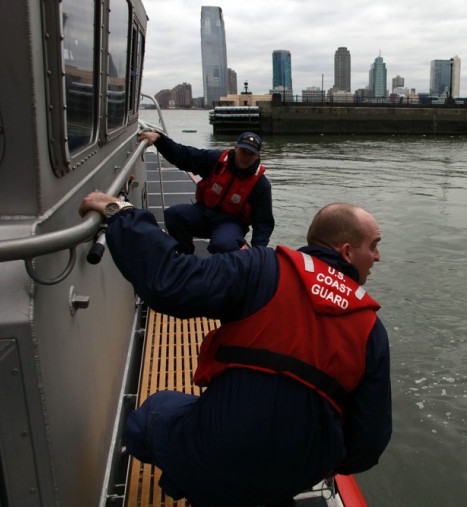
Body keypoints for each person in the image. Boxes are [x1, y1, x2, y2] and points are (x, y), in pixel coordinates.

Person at [78, 192, 391, 507]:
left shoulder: (260, 266)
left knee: (151, 412)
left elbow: (169, 280)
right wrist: (314, 462)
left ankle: (199, 480)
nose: (377, 257)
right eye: (374, 245)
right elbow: (368, 443)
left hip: (216, 454)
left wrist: (123, 213)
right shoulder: (370, 329)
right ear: (347, 252)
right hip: (294, 474)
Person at [138, 129, 275, 253]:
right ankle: (185, 256)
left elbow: (263, 223)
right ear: (236, 148)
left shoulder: (260, 185)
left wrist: (259, 254)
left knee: (222, 245)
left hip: (230, 224)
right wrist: (159, 139)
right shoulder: (216, 161)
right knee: (173, 214)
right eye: (243, 151)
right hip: (203, 213)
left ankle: (223, 271)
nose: (246, 157)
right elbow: (184, 155)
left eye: (251, 154)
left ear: (257, 156)